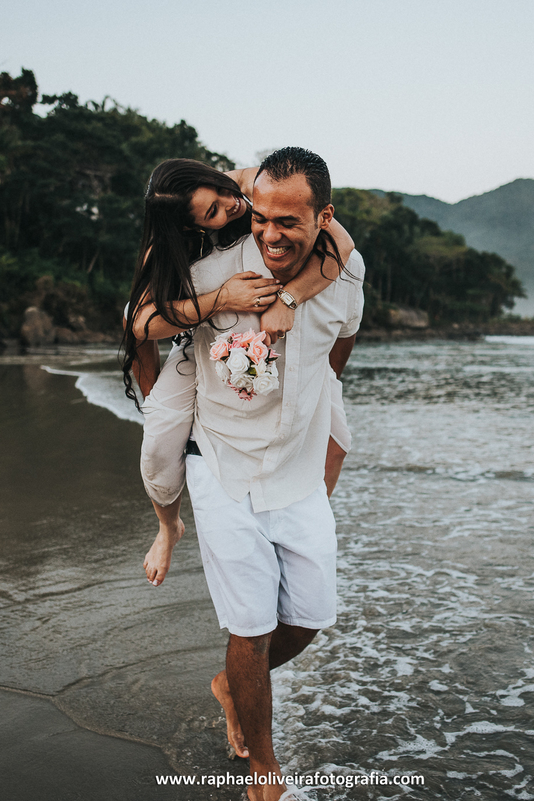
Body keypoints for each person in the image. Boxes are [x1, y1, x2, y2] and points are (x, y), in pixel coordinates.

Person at [149, 147, 364, 800]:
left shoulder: (346, 272)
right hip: (222, 465)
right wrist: (216, 300)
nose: (268, 232)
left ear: (322, 218)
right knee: (251, 625)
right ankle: (264, 769)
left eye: (288, 222)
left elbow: (344, 336)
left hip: (294, 471)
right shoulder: (213, 268)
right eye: (260, 216)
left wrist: (318, 383)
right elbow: (144, 318)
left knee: (308, 617)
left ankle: (232, 683)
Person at [120, 159, 353, 588]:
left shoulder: (245, 182)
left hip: (288, 337)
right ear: (190, 228)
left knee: (337, 443)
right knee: (157, 446)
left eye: (222, 193)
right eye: (213, 212)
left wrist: (289, 300)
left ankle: (304, 523)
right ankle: (169, 528)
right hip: (199, 340)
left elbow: (342, 243)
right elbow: (139, 324)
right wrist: (222, 297)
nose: (232, 205)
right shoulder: (172, 245)